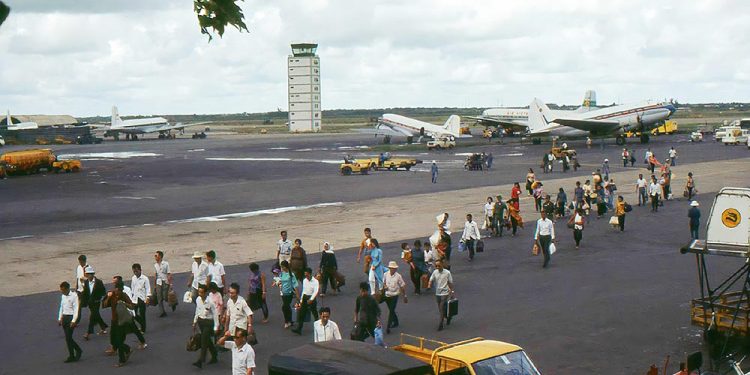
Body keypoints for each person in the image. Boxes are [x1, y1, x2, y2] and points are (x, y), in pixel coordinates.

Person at [102, 280, 136, 367]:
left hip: (121, 321)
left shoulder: (124, 296)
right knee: (113, 340)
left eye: (119, 289)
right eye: (116, 289)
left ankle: (122, 360)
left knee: (119, 340)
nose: (118, 291)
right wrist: (108, 297)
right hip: (114, 321)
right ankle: (127, 349)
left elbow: (132, 306)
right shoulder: (112, 295)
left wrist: (124, 304)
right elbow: (104, 305)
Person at [192, 284, 220, 368]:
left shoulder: (210, 302)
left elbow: (215, 314)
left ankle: (201, 360)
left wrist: (216, 327)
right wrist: (195, 321)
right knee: (207, 340)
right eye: (199, 292)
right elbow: (197, 311)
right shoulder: (198, 300)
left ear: (205, 293)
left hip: (208, 322)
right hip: (201, 321)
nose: (199, 294)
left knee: (204, 340)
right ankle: (214, 354)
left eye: (201, 292)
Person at [81, 266, 108, 340]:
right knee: (96, 315)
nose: (89, 276)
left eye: (90, 274)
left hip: (96, 302)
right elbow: (86, 293)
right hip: (90, 303)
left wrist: (100, 298)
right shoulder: (86, 282)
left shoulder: (99, 282)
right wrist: (83, 302)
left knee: (92, 316)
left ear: (93, 274)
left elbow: (103, 292)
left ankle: (89, 332)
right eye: (87, 274)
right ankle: (103, 326)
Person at [58, 281, 82, 363]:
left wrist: (74, 320)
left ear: (68, 288)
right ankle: (72, 355)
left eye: (63, 290)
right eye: (61, 290)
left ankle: (77, 351)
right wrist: (59, 317)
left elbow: (76, 309)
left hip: (71, 318)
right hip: (64, 317)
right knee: (68, 338)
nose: (62, 292)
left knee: (68, 338)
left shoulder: (74, 296)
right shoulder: (63, 296)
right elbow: (61, 306)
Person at [428, 260, 454, 331]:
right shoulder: (435, 272)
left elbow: (450, 282)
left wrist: (452, 291)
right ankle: (448, 316)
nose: (437, 267)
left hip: (445, 292)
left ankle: (441, 324)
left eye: (439, 266)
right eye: (436, 266)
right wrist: (429, 284)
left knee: (441, 307)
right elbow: (431, 279)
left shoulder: (447, 273)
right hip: (438, 293)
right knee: (441, 309)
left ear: (442, 265)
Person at [292, 268, 320, 335]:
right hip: (305, 297)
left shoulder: (315, 281)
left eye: (307, 275)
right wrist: (301, 300)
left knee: (315, 313)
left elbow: (316, 291)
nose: (306, 276)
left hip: (311, 298)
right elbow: (304, 291)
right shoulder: (304, 280)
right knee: (302, 313)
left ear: (310, 274)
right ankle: (299, 329)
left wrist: (311, 299)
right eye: (305, 275)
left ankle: (319, 328)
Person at [383, 261, 408, 334]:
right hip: (387, 294)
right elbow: (383, 282)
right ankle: (396, 321)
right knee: (391, 309)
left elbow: (402, 285)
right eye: (392, 268)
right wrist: (384, 286)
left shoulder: (398, 276)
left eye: (394, 268)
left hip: (395, 295)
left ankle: (388, 325)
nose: (393, 269)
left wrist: (404, 295)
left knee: (391, 310)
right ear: (389, 268)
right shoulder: (385, 274)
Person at [276, 260, 298, 329]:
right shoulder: (281, 274)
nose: (282, 268)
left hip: (289, 293)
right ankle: (291, 320)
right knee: (287, 307)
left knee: (284, 307)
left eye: (283, 267)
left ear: (286, 266)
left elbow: (295, 284)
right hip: (283, 293)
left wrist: (297, 295)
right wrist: (278, 283)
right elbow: (279, 281)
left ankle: (286, 321)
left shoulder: (291, 274)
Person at [130, 263, 151, 333]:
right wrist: (131, 297)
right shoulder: (133, 278)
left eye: (136, 271)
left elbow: (148, 288)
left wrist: (148, 297)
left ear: (140, 270)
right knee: (134, 314)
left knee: (142, 314)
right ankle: (142, 324)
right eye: (134, 271)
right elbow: (132, 288)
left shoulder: (145, 278)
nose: (135, 273)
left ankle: (143, 329)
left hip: (142, 298)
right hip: (135, 298)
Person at [153, 251, 173, 317]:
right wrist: (155, 285)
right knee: (159, 297)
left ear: (160, 256)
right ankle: (162, 312)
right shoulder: (155, 265)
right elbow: (155, 275)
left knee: (165, 297)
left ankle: (173, 303)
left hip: (165, 281)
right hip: (159, 282)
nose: (155, 257)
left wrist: (170, 283)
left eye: (156, 256)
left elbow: (169, 274)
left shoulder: (166, 264)